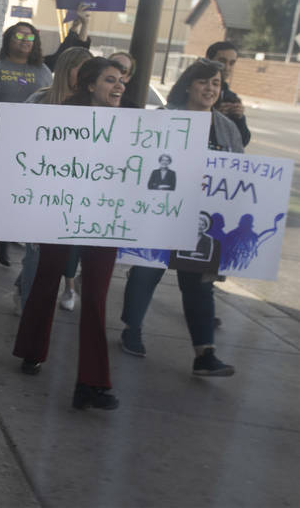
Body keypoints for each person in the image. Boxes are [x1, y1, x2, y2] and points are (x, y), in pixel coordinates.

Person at [13, 57, 128, 411]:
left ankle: (91, 383)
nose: (119, 86)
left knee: (95, 297)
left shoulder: (133, 123)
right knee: (48, 278)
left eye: (121, 80)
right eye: (110, 80)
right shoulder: (59, 118)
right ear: (90, 85)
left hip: (105, 218)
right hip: (59, 211)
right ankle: (32, 351)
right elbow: (32, 156)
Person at [119, 58, 243, 376]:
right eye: (204, 82)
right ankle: (131, 331)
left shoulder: (226, 127)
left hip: (202, 221)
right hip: (160, 214)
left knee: (200, 284)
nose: (210, 88)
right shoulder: (165, 118)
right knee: (146, 273)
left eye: (216, 83)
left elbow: (238, 174)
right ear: (189, 84)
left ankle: (205, 354)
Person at [15, 46, 93, 313]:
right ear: (65, 70)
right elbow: (14, 139)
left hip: (78, 198)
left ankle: (26, 293)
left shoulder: (98, 107)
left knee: (55, 261)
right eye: (81, 69)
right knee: (36, 259)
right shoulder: (40, 100)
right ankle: (29, 317)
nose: (86, 75)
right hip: (42, 194)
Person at [0, 22, 52, 266]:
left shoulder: (43, 71)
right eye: (18, 35)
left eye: (30, 37)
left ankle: (3, 243)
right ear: (8, 37)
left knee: (13, 190)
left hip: (27, 140)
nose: (23, 40)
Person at [206, 41, 250, 146]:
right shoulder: (190, 91)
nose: (227, 68)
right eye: (222, 61)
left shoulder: (231, 97)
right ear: (208, 59)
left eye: (232, 63)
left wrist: (239, 118)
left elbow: (242, 141)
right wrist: (213, 118)